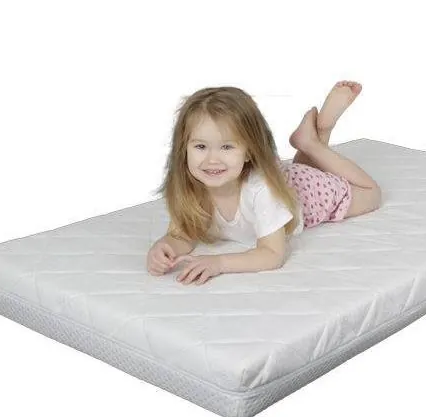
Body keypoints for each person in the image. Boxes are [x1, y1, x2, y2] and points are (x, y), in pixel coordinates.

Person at [146, 81, 382, 285]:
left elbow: (272, 254)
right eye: (200, 146)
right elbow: (183, 235)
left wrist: (218, 263)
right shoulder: (191, 186)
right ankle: (310, 138)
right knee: (298, 171)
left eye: (226, 147)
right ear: (184, 149)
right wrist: (163, 248)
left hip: (306, 193)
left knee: (371, 193)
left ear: (249, 152)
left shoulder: (261, 191)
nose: (211, 160)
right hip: (282, 179)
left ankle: (313, 143)